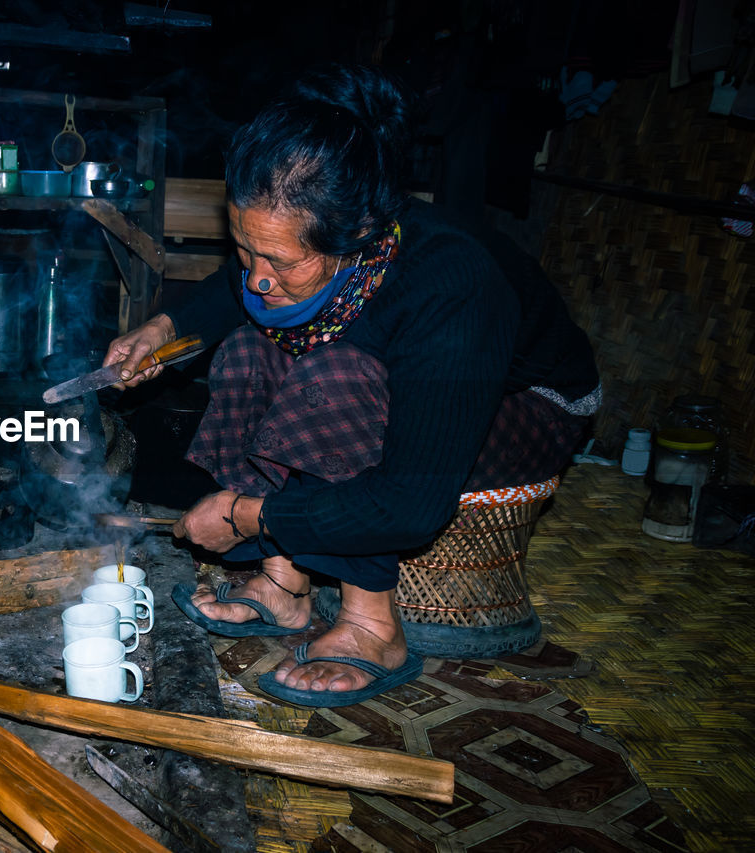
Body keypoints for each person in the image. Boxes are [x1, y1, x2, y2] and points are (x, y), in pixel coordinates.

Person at [103, 63, 600, 708]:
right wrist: (162, 328)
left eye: (279, 261)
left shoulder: (451, 287)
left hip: (530, 407)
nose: (255, 277)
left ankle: (373, 625)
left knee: (335, 374)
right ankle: (284, 587)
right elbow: (239, 289)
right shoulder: (307, 251)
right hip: (413, 373)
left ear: (357, 234)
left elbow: (412, 504)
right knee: (256, 345)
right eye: (244, 250)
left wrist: (248, 515)